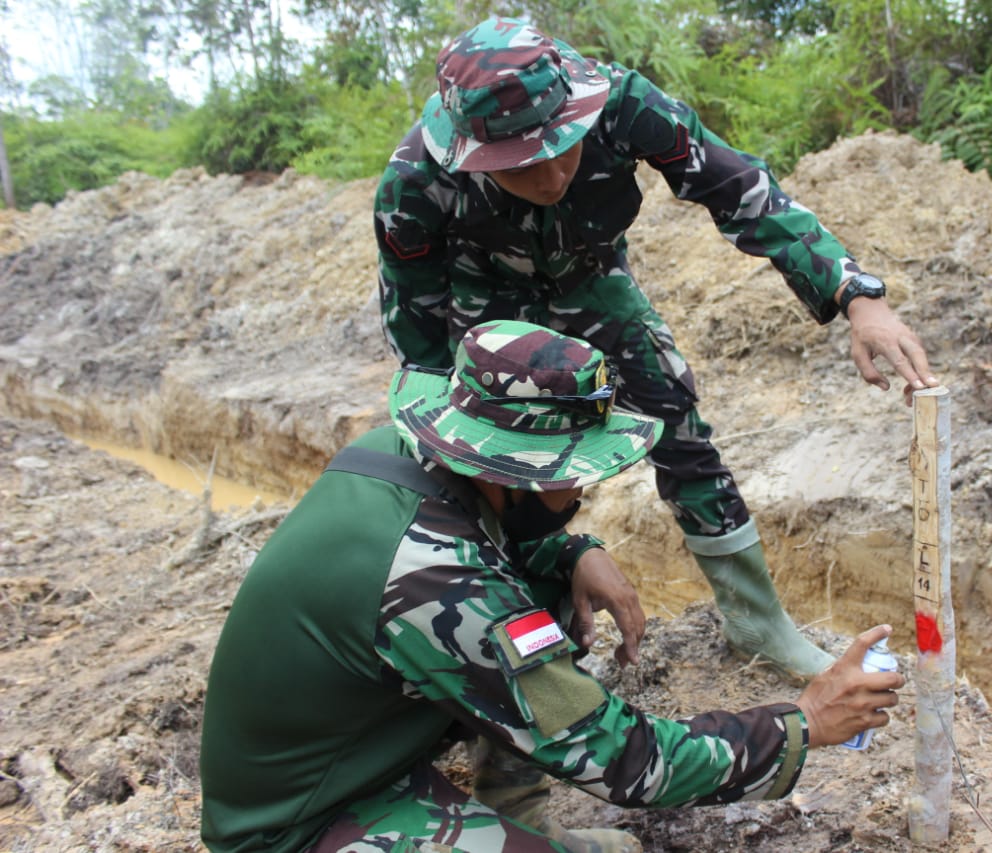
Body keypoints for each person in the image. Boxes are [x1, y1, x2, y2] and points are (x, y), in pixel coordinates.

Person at [199, 320, 906, 853]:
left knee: (543, 587)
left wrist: (570, 549)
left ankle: (513, 815)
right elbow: (629, 761)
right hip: (295, 825)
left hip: (347, 757)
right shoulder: (440, 580)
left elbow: (481, 535)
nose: (583, 484)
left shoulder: (399, 453)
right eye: (571, 469)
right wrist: (803, 721)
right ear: (515, 469)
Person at [374, 17, 938, 681]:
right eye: (525, 164)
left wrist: (855, 295)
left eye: (566, 144)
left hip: (593, 282)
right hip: (487, 316)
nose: (555, 174)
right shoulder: (415, 183)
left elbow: (737, 188)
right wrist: (453, 445)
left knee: (677, 418)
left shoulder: (623, 104)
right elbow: (421, 346)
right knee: (498, 469)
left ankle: (756, 622)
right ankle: (511, 638)